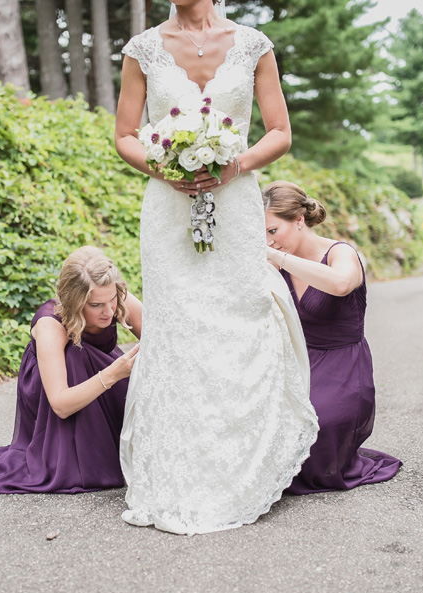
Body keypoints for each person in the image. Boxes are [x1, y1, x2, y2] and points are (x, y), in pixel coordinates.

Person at [114, 0, 318, 534]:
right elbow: (125, 135)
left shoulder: (254, 46)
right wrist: (164, 166)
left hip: (234, 203)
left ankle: (243, 464)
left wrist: (236, 165)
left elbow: (278, 130)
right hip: (167, 207)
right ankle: (180, 472)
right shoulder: (143, 50)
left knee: (238, 314)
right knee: (179, 326)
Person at [0, 246, 142, 494]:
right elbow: (60, 404)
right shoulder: (50, 326)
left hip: (104, 373)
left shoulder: (114, 296)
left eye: (112, 299)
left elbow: (161, 342)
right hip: (56, 393)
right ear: (74, 302)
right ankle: (84, 449)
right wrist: (114, 373)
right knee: (75, 355)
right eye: (96, 305)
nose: (109, 311)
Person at [262, 180, 402, 493]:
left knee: (313, 432)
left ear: (299, 220)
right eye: (262, 234)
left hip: (345, 366)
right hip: (301, 363)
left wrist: (279, 259)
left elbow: (341, 284)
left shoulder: (340, 253)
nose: (268, 241)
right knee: (265, 426)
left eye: (273, 231)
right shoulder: (273, 264)